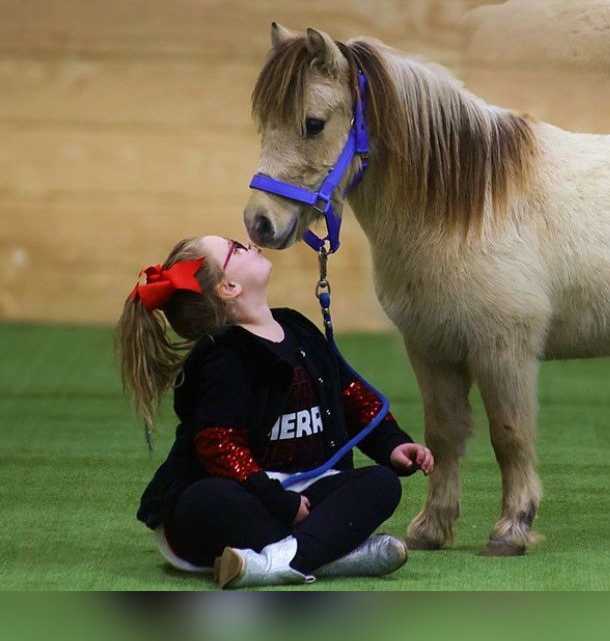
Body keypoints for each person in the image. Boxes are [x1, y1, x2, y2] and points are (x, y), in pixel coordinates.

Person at [115, 235, 434, 588]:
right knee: (205, 500)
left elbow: (348, 393)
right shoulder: (225, 358)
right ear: (229, 288)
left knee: (381, 484)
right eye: (236, 248)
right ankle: (329, 553)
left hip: (304, 493)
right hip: (249, 495)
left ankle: (276, 561)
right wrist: (277, 501)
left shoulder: (297, 327)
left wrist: (391, 444)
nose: (250, 245)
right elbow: (219, 446)